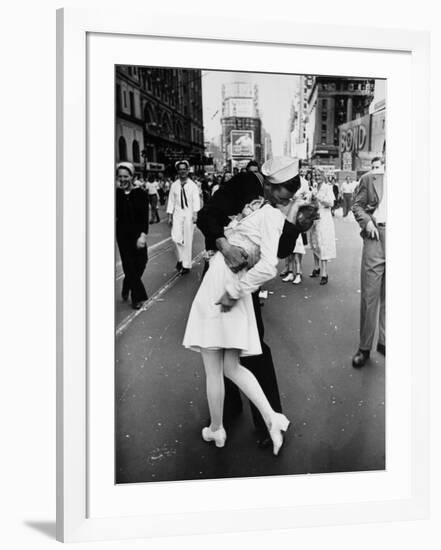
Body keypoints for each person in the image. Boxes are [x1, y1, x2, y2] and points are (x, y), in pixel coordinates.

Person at [196, 157, 319, 447]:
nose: (282, 198)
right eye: (279, 192)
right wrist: (224, 247)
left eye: (288, 194)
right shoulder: (242, 184)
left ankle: (268, 421)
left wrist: (292, 220)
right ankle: (226, 409)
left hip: (246, 279)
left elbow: (282, 250)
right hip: (221, 267)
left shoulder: (287, 203)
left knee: (253, 346)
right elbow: (207, 216)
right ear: (267, 183)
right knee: (217, 342)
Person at [351, 157, 386, 367]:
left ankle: (384, 341)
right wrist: (367, 222)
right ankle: (364, 348)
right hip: (376, 237)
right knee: (370, 295)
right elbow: (357, 205)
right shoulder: (370, 178)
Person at [115, 162, 149, 310]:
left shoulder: (140, 194)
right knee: (129, 265)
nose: (122, 179)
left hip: (138, 234)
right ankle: (137, 297)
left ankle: (127, 283)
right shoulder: (115, 194)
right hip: (122, 235)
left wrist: (143, 235)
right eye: (120, 176)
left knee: (141, 262)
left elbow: (144, 217)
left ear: (132, 177)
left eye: (125, 176)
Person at [167, 160, 201, 274]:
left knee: (187, 239)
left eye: (184, 169)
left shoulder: (193, 186)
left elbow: (196, 200)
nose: (182, 171)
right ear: (178, 171)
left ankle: (186, 265)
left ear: (187, 170)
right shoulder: (174, 185)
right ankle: (180, 259)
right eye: (180, 169)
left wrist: (195, 214)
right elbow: (171, 201)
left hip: (189, 214)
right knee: (175, 238)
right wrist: (169, 216)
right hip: (177, 213)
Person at [279, 176, 311, 284]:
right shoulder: (285, 184)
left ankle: (298, 273)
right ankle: (291, 272)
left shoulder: (304, 183)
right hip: (287, 216)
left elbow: (307, 200)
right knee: (289, 250)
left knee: (297, 249)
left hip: (297, 219)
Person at [309, 168, 337, 285]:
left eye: (319, 175)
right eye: (315, 175)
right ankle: (316, 267)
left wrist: (318, 197)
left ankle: (324, 273)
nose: (317, 177)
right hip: (315, 219)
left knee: (323, 244)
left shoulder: (327, 187)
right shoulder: (314, 187)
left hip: (324, 219)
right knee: (315, 243)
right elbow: (311, 202)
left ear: (323, 176)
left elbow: (331, 203)